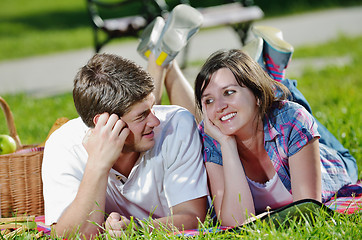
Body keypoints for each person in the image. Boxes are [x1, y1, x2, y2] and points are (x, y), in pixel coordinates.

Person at [146, 22, 358, 227]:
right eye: (208, 100)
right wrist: (227, 144)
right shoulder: (211, 136)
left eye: (229, 92)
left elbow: (306, 209)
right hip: (258, 111)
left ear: (255, 95)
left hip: (332, 161)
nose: (218, 106)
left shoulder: (290, 120)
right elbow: (234, 221)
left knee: (288, 107)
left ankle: (275, 79)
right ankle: (268, 74)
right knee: (271, 109)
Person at [41, 5, 208, 238]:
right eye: (142, 116)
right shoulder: (63, 145)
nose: (155, 122)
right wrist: (97, 165)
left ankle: (161, 63)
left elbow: (194, 216)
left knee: (205, 129)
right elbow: (70, 236)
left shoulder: (175, 125)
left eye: (151, 109)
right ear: (104, 123)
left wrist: (137, 228)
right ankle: (160, 61)